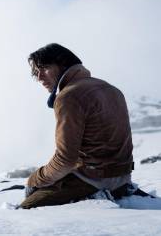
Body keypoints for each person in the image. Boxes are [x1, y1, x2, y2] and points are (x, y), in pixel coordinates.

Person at [20, 43, 134, 209]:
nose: (39, 77)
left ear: (63, 63)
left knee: (24, 210)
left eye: (44, 68)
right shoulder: (111, 89)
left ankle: (95, 197)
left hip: (91, 181)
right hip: (123, 179)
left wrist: (35, 179)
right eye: (36, 72)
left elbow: (65, 160)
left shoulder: (69, 96)